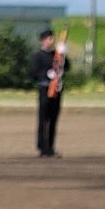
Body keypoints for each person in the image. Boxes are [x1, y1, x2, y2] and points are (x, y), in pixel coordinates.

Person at [30, 29, 69, 158]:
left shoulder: (56, 54)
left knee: (53, 119)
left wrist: (64, 55)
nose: (51, 41)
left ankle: (51, 146)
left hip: (56, 89)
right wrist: (46, 74)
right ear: (43, 40)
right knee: (43, 118)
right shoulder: (38, 55)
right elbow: (34, 72)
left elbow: (66, 67)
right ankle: (42, 146)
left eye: (52, 38)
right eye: (48, 39)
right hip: (44, 89)